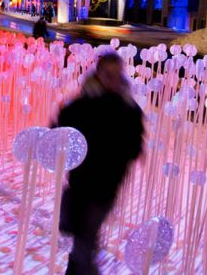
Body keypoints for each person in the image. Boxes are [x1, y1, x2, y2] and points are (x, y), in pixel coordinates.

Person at [55, 52, 144, 275]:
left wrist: (126, 152)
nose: (112, 80)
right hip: (81, 183)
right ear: (98, 74)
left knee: (85, 238)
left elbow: (134, 145)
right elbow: (59, 131)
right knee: (83, 238)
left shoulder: (129, 109)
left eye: (116, 75)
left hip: (106, 186)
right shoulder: (81, 105)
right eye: (107, 74)